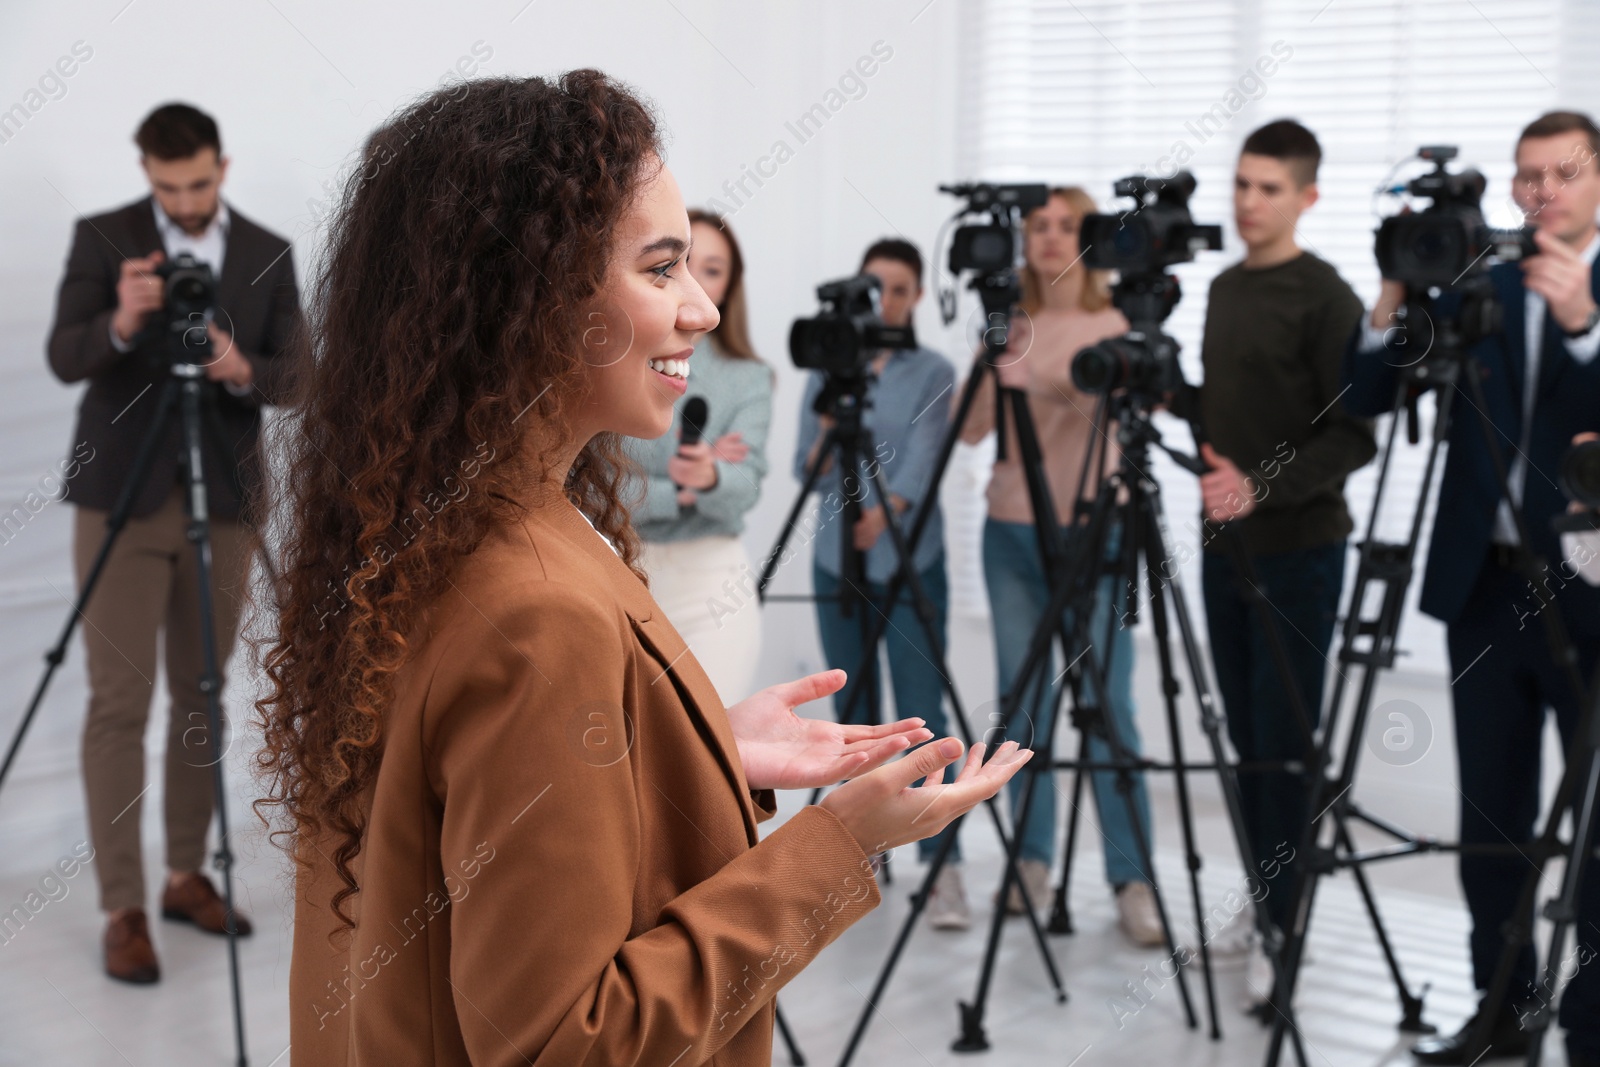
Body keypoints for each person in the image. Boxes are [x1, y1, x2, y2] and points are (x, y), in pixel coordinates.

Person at [259, 71, 1029, 1066]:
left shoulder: (434, 528)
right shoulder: (539, 605)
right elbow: (569, 1043)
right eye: (661, 268)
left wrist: (694, 747)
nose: (703, 311)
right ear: (533, 293)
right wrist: (841, 840)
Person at [1346, 110, 1600, 1067]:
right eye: (1528, 175)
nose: (1542, 192)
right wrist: (1392, 293)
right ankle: (1505, 1014)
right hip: (1484, 595)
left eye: (1564, 173)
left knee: (1595, 836)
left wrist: (1582, 327)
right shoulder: (1474, 283)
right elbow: (1371, 395)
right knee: (1492, 824)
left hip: (1589, 596)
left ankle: (1588, 1029)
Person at [45, 103, 301, 984]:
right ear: (146, 174)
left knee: (203, 693)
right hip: (121, 493)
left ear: (221, 168)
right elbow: (64, 356)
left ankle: (186, 873)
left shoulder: (266, 248)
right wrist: (122, 319)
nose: (184, 200)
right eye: (166, 187)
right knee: (120, 700)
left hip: (225, 500)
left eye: (197, 183)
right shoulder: (104, 237)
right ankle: (122, 906)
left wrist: (241, 369)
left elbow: (300, 376)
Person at [1194, 119, 1374, 1011]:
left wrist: (1261, 489)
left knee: (1285, 747)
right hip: (1222, 552)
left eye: (1268, 188)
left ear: (1306, 196)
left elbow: (1354, 433)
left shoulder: (1327, 296)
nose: (1247, 201)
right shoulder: (1224, 288)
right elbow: (1225, 409)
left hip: (1300, 553)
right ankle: (1263, 905)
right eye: (1240, 183)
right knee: (1243, 739)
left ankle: (1284, 928)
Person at [956, 186, 1164, 947]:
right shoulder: (1009, 325)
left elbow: (1137, 403)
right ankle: (1031, 860)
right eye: (1037, 226)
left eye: (1065, 225)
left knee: (1112, 709)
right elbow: (972, 429)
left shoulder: (1115, 325)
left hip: (1096, 535)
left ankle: (1131, 876)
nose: (1048, 238)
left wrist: (1036, 375)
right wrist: (992, 362)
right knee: (1022, 708)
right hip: (1010, 537)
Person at [792, 238, 967, 929]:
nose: (886, 300)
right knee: (855, 717)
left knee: (923, 714)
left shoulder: (933, 370)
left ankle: (943, 865)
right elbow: (805, 467)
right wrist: (828, 432)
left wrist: (882, 516)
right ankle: (860, 853)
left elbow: (923, 465)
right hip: (837, 558)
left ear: (917, 296)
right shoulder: (831, 365)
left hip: (909, 556)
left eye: (899, 288)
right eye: (875, 287)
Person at [622, 209, 772, 703]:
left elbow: (743, 490)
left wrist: (712, 481)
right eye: (674, 264)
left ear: (730, 286)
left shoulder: (748, 377)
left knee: (707, 749)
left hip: (710, 586)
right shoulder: (617, 362)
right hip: (621, 572)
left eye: (712, 268)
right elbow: (595, 489)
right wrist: (686, 490)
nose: (693, 281)